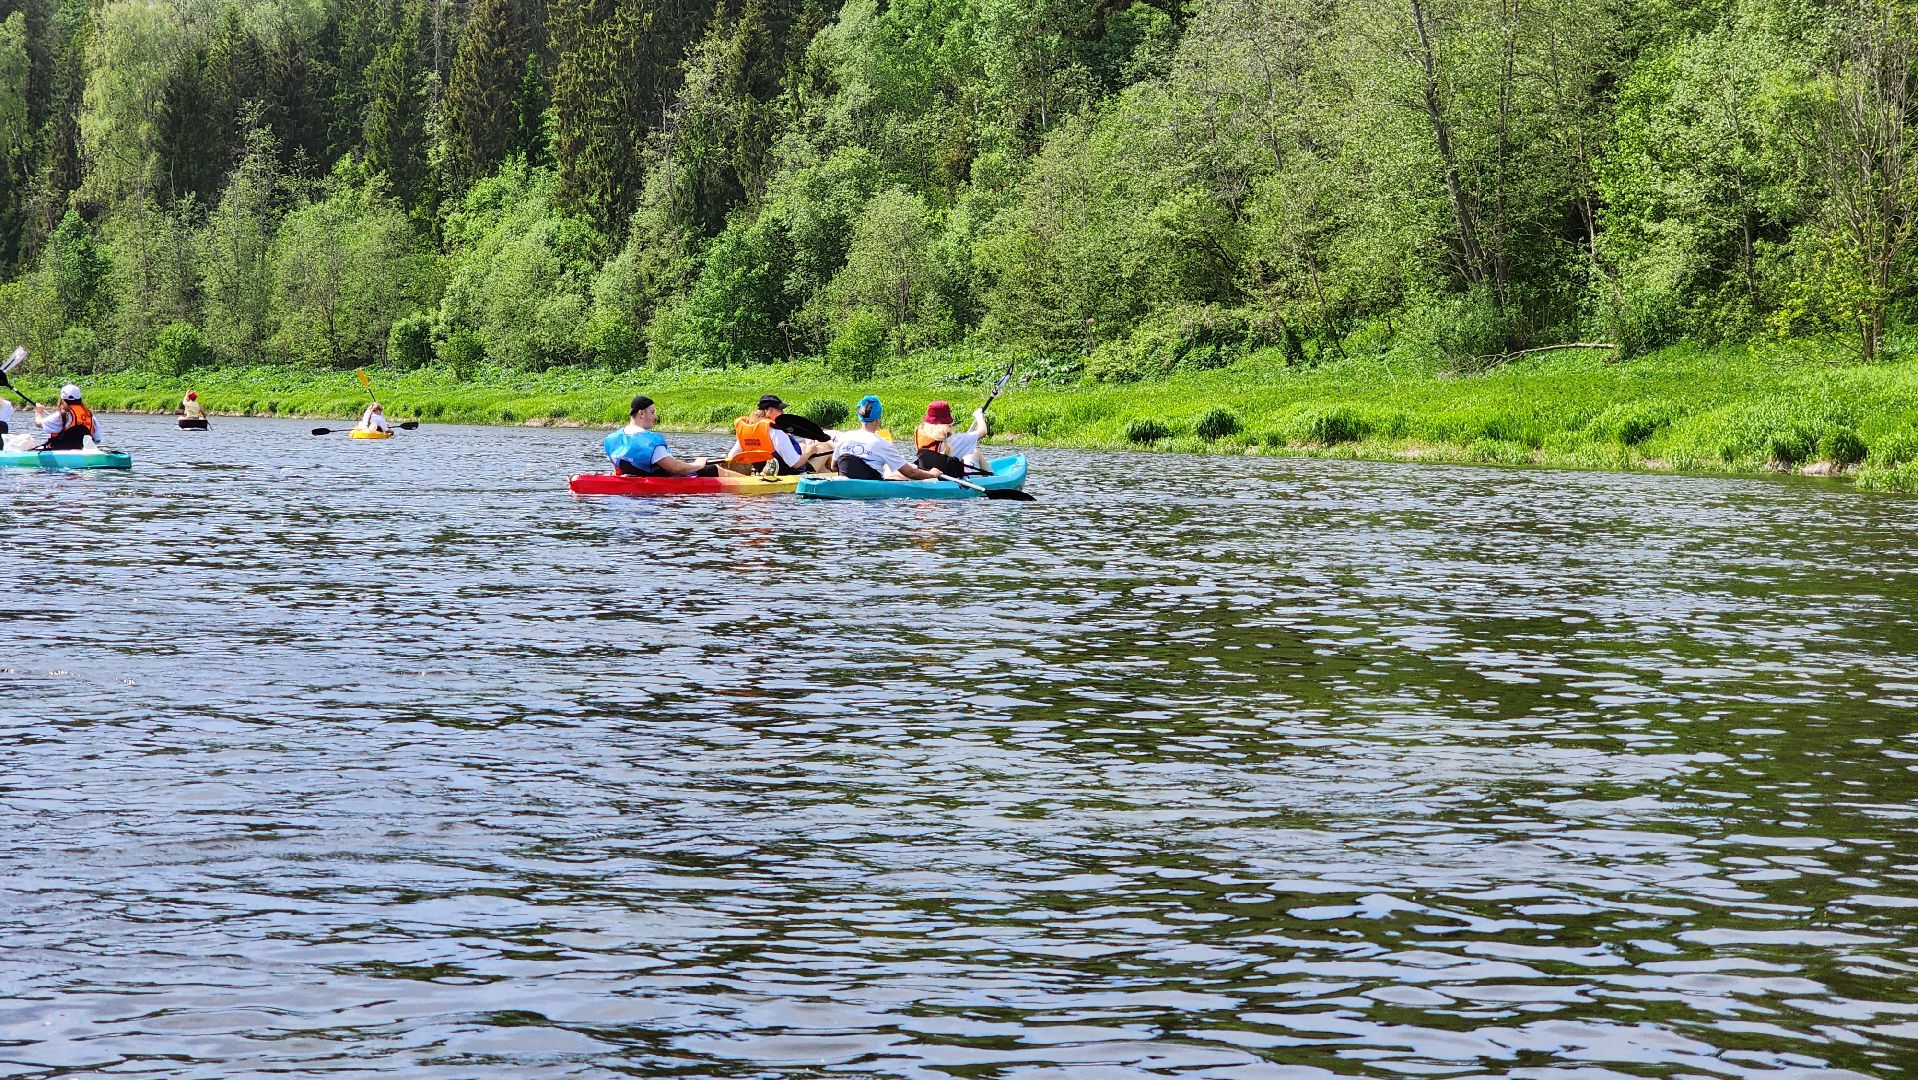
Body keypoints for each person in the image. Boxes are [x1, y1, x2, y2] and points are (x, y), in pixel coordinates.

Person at [833, 395, 948, 481]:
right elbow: (911, 473)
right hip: (868, 494)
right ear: (879, 419)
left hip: (844, 485)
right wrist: (932, 474)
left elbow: (834, 466)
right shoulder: (883, 444)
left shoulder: (844, 437)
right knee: (898, 474)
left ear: (860, 417)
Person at [603, 395, 718, 477]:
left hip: (632, 482)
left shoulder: (611, 440)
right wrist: (698, 464)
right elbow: (676, 468)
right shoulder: (650, 441)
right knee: (712, 469)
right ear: (641, 414)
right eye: (652, 412)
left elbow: (618, 470)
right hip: (659, 486)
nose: (655, 417)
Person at [726, 394, 834, 475]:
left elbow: (731, 457)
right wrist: (811, 450)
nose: (782, 413)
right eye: (780, 410)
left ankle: (827, 472)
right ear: (769, 410)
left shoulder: (748, 429)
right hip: (790, 472)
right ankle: (837, 474)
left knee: (803, 446)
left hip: (761, 468)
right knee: (826, 447)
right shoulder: (776, 430)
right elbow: (795, 463)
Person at [914, 400, 990, 477]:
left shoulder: (919, 433)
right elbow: (983, 431)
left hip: (927, 472)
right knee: (975, 452)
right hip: (950, 476)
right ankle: (992, 478)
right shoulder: (954, 440)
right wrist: (979, 416)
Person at [33, 384, 97, 450]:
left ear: (62, 399)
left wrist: (38, 412)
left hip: (60, 451)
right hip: (83, 451)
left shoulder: (61, 415)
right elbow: (97, 439)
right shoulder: (90, 416)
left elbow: (38, 423)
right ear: (79, 398)